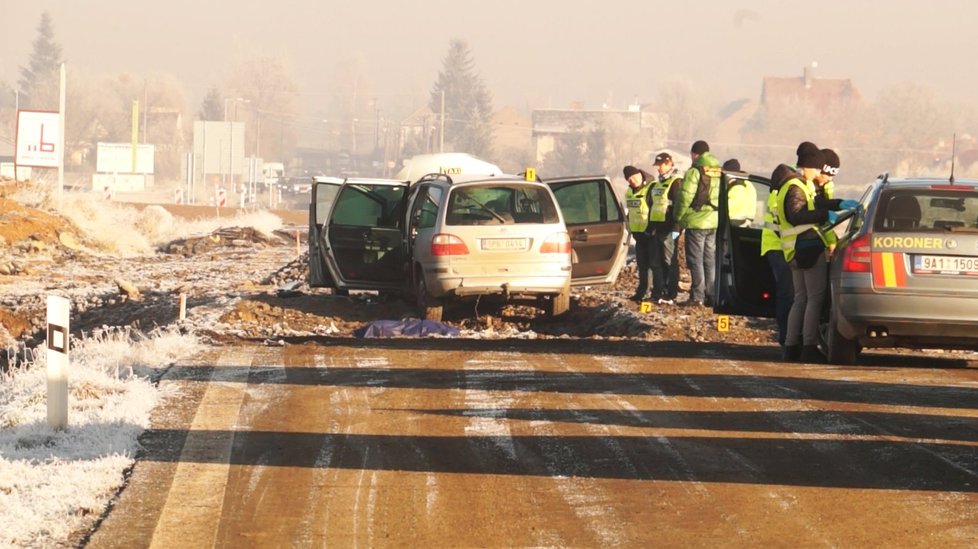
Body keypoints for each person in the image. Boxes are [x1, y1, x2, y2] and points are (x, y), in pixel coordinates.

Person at [778, 148, 859, 362]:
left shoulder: (799, 185)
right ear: (807, 166)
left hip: (796, 249)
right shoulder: (796, 186)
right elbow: (796, 215)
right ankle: (808, 346)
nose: (817, 173)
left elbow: (816, 204)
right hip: (807, 247)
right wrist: (826, 215)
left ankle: (791, 346)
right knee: (814, 299)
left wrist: (838, 204)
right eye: (815, 168)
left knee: (801, 299)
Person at [761, 141, 818, 348]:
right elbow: (793, 219)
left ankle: (787, 336)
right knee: (788, 294)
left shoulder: (779, 190)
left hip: (776, 245)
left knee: (789, 294)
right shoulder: (791, 188)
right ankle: (787, 337)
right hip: (781, 246)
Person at [675, 140, 722, 307]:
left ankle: (697, 296)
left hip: (696, 222)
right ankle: (712, 295)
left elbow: (685, 197)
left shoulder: (694, 171)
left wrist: (679, 217)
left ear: (695, 154)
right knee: (710, 260)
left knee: (696, 260)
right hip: (714, 221)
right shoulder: (718, 171)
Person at [647, 152, 683, 304]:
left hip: (670, 228)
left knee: (669, 261)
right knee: (659, 261)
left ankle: (671, 292)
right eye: (657, 166)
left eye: (661, 165)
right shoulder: (658, 184)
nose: (658, 169)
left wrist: (676, 228)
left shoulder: (676, 182)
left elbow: (678, 206)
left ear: (669, 164)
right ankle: (660, 290)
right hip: (658, 227)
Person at [623, 164, 655, 302]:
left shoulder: (652, 188)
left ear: (640, 174)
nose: (632, 181)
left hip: (651, 232)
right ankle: (642, 291)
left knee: (654, 264)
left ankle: (655, 291)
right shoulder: (629, 192)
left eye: (633, 177)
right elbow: (631, 212)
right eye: (629, 179)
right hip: (638, 234)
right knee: (642, 265)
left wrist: (653, 228)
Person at [722, 158, 756, 227]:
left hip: (734, 223)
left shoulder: (736, 187)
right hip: (746, 223)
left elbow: (726, 208)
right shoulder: (748, 183)